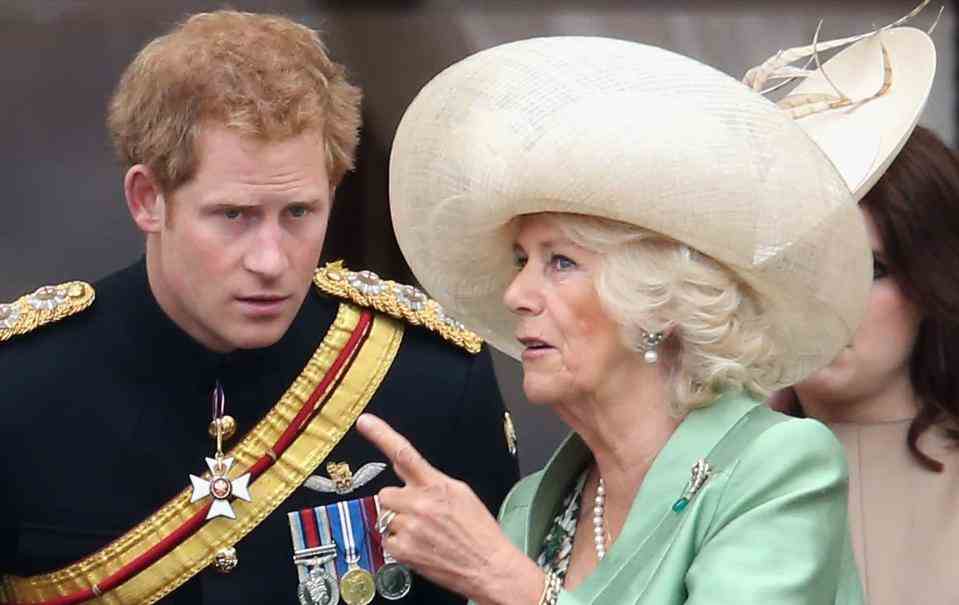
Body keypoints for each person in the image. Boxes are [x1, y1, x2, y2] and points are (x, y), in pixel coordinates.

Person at [0, 10, 517, 605]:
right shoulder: (19, 389)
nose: (271, 260)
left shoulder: (432, 380)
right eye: (233, 216)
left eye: (298, 213)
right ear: (148, 200)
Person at [354, 35, 874, 604]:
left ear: (660, 301)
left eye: (560, 262)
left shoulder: (774, 467)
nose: (516, 293)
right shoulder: (533, 506)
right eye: (520, 260)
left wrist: (509, 583)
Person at [755, 20, 955, 604]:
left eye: (871, 270)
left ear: (929, 281)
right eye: (798, 263)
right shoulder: (696, 479)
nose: (827, 297)